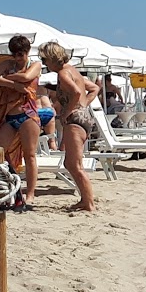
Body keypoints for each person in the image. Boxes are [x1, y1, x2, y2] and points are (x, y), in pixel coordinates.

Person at [39, 41, 100, 212]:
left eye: (44, 60)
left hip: (75, 120)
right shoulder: (73, 71)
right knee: (71, 163)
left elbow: (77, 92)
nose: (44, 64)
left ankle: (89, 203)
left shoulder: (63, 73)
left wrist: (68, 111)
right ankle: (85, 200)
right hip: (83, 117)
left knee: (74, 165)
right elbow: (94, 88)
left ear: (52, 58)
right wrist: (83, 105)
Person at [0, 35, 42, 212]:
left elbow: (26, 76)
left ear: (27, 52)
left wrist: (7, 77)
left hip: (28, 114)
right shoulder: (7, 64)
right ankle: (14, 187)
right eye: (14, 54)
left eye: (20, 54)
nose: (17, 58)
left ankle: (30, 194)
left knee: (29, 155)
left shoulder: (35, 64)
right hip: (9, 116)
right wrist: (13, 84)